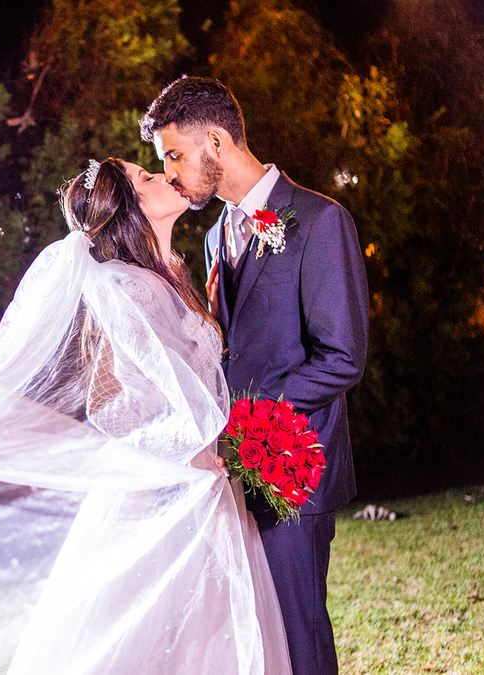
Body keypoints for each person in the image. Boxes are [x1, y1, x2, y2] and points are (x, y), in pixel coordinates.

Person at [4, 158, 292, 674]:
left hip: (207, 481)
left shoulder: (170, 274)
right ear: (131, 209)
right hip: (175, 487)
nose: (164, 176)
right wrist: (183, 448)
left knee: (208, 639)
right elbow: (105, 404)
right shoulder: (131, 286)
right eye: (147, 178)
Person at [140, 76, 370, 675]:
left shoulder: (321, 221)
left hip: (295, 467)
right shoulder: (218, 234)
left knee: (298, 635)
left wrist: (244, 417)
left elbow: (343, 357)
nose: (169, 173)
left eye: (175, 155)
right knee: (258, 640)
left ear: (216, 142)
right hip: (234, 471)